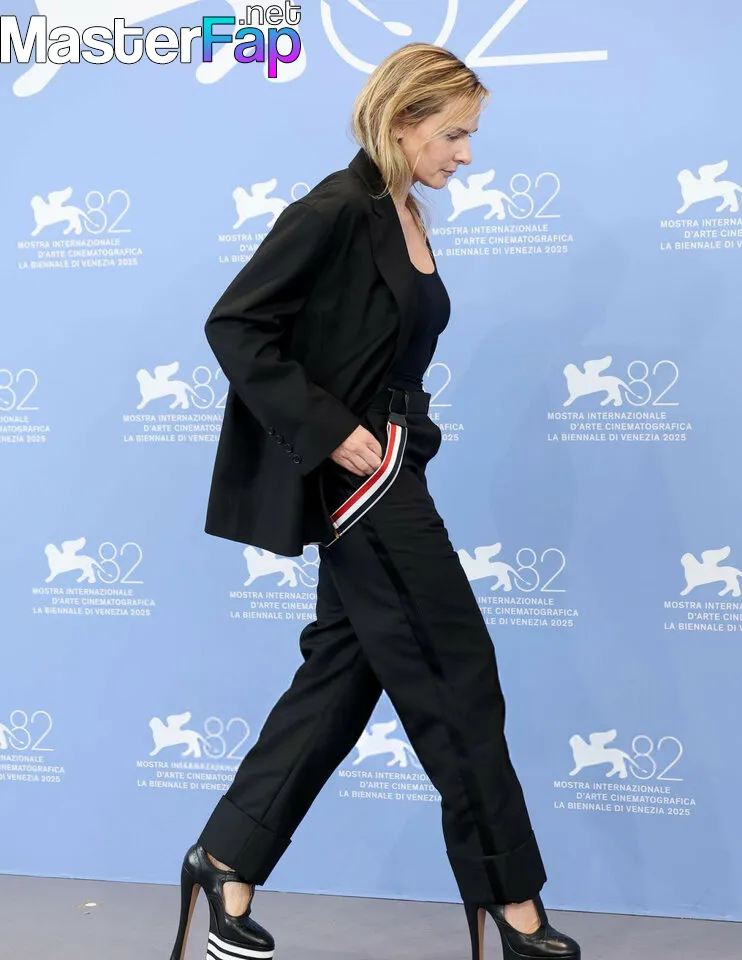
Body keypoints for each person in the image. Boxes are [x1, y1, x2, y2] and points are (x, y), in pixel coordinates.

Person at [168, 43, 580, 960]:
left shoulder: (403, 209)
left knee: (341, 677)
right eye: (455, 134)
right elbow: (235, 324)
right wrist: (326, 429)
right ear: (402, 124)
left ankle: (224, 858)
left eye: (471, 136)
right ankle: (513, 905)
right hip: (364, 483)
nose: (466, 154)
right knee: (458, 676)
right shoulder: (335, 209)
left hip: (397, 464)